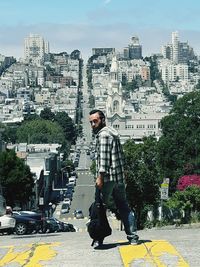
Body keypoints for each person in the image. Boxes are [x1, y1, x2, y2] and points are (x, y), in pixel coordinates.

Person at [89, 109, 139, 248]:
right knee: (124, 206)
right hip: (119, 177)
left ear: (103, 120)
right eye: (91, 122)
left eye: (95, 121)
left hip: (107, 179)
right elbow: (120, 156)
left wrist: (100, 177)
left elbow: (104, 160)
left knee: (99, 208)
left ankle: (99, 237)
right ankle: (133, 237)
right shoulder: (112, 132)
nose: (93, 124)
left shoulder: (103, 135)